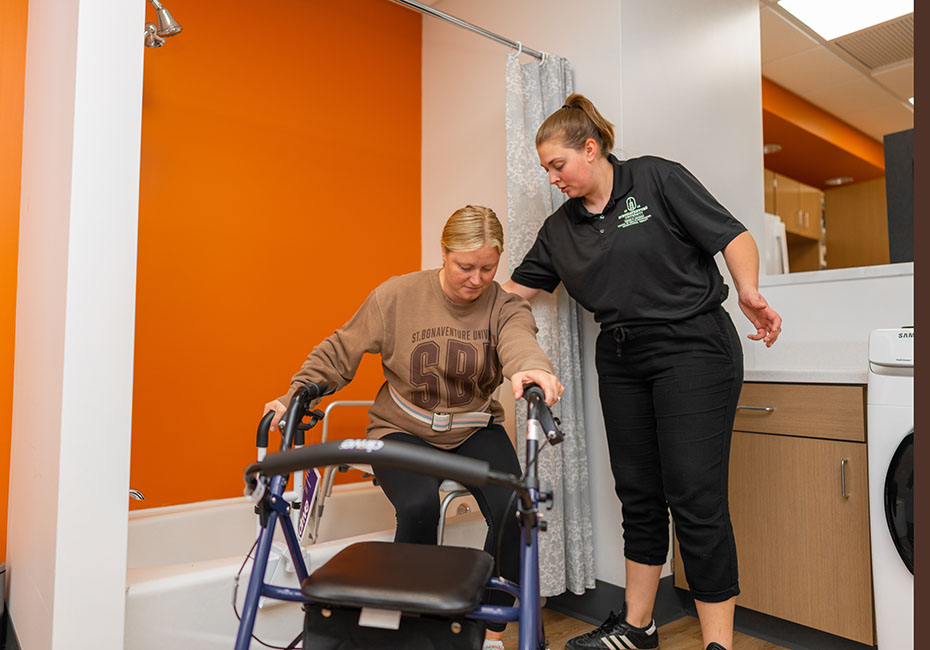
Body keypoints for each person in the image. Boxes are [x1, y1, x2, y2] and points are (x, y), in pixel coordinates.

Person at [502, 94, 782, 650]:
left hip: (693, 347)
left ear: (591, 148)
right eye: (545, 170)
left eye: (558, 164)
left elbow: (733, 235)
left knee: (695, 497)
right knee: (638, 493)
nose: (552, 178)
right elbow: (515, 290)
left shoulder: (654, 179)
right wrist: (453, 290)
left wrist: (748, 290)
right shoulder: (560, 230)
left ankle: (717, 644)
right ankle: (637, 626)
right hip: (623, 357)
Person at [264, 205, 563, 650]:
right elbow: (340, 350)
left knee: (514, 510)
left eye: (488, 267)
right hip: (401, 429)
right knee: (420, 505)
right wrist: (297, 394)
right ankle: (411, 628)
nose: (477, 279)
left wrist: (533, 370)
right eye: (465, 266)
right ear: (444, 254)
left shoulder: (505, 306)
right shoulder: (397, 296)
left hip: (474, 428)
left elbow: (520, 341)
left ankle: (492, 628)